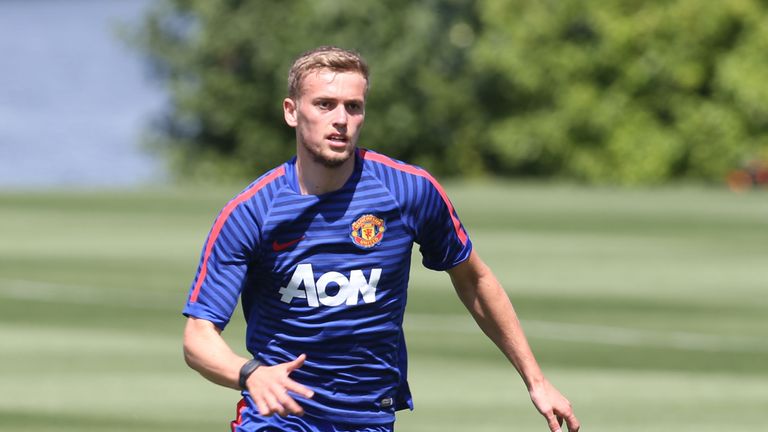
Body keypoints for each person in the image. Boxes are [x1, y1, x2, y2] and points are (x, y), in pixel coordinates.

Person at [182, 45, 580, 432]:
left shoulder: (408, 190)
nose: (340, 119)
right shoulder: (251, 213)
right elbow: (198, 337)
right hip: (281, 419)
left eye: (353, 107)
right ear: (291, 112)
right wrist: (250, 374)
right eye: (324, 104)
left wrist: (536, 380)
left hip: (370, 417)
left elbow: (474, 279)